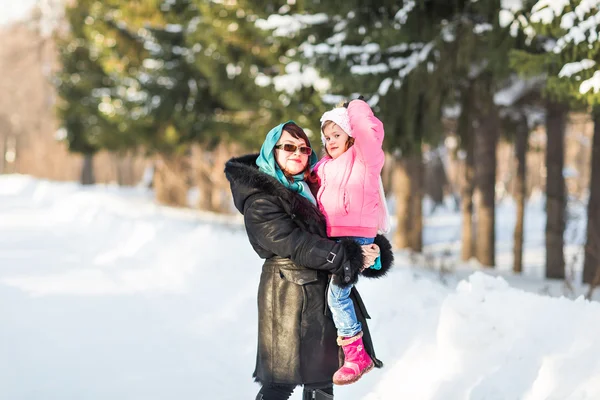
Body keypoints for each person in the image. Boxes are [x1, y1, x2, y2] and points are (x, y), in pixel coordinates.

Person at [224, 121, 390, 400]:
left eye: (303, 147)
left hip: (322, 294)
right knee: (280, 382)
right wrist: (344, 255)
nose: (297, 152)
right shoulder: (260, 198)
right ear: (271, 150)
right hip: (287, 296)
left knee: (323, 381)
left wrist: (370, 250)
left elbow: (342, 228)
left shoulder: (318, 187)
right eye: (288, 146)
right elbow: (291, 241)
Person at [314, 98, 392, 386]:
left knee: (338, 295)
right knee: (329, 295)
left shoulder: (363, 159)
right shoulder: (324, 166)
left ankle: (357, 354)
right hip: (335, 240)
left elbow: (370, 132)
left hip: (356, 236)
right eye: (327, 137)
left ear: (350, 135)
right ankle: (335, 353)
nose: (331, 141)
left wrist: (354, 105)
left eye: (337, 135)